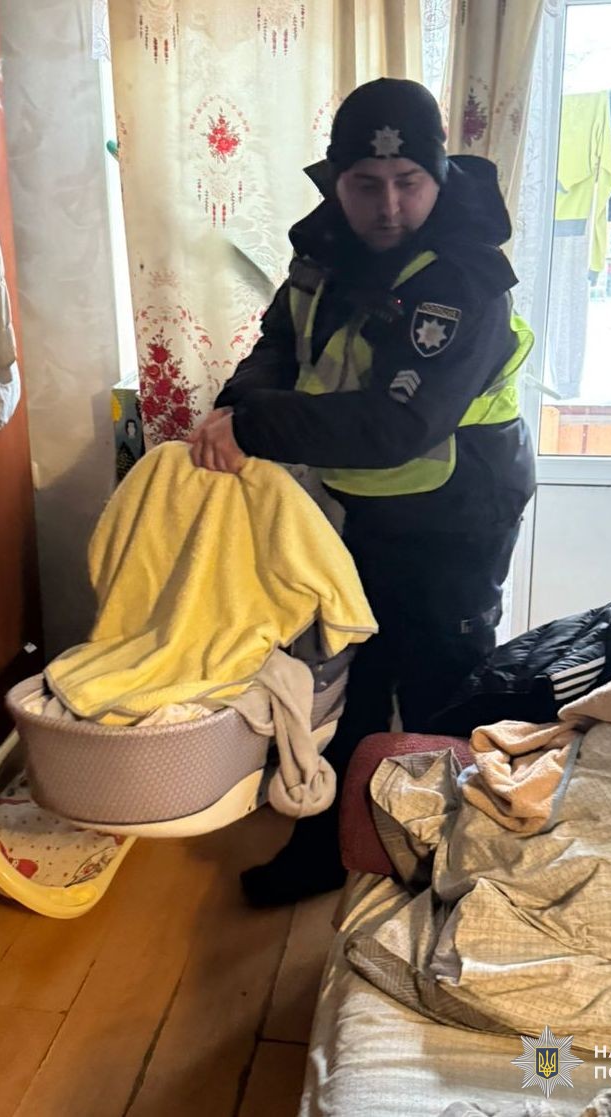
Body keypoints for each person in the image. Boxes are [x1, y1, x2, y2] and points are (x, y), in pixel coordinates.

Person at [188, 78, 536, 906]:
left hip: (457, 513)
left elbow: (397, 423)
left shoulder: (465, 276)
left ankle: (447, 879)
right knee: (345, 682)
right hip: (363, 507)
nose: (388, 206)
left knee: (439, 691)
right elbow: (280, 345)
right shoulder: (326, 251)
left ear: (438, 175)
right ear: (335, 180)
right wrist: (235, 405)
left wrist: (255, 427)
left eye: (408, 182)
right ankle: (325, 849)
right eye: (365, 184)